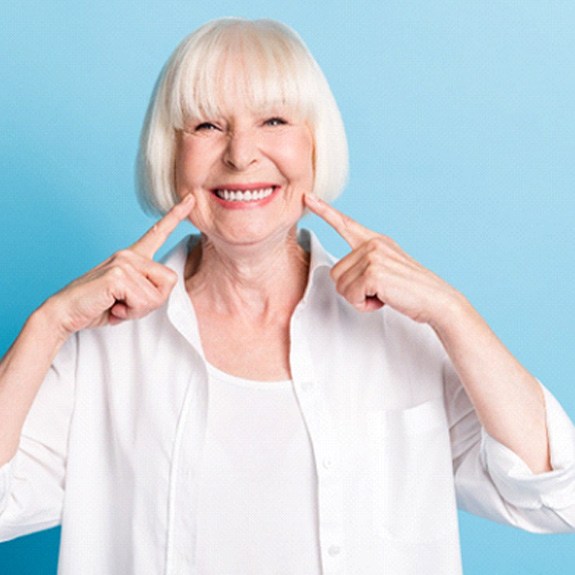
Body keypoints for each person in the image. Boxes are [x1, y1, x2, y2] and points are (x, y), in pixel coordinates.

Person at [1, 17, 574, 575]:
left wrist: (453, 312)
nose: (241, 154)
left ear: (316, 147)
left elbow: (558, 495)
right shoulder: (101, 350)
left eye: (274, 120)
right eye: (206, 126)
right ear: (169, 155)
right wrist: (46, 324)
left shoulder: (402, 331)